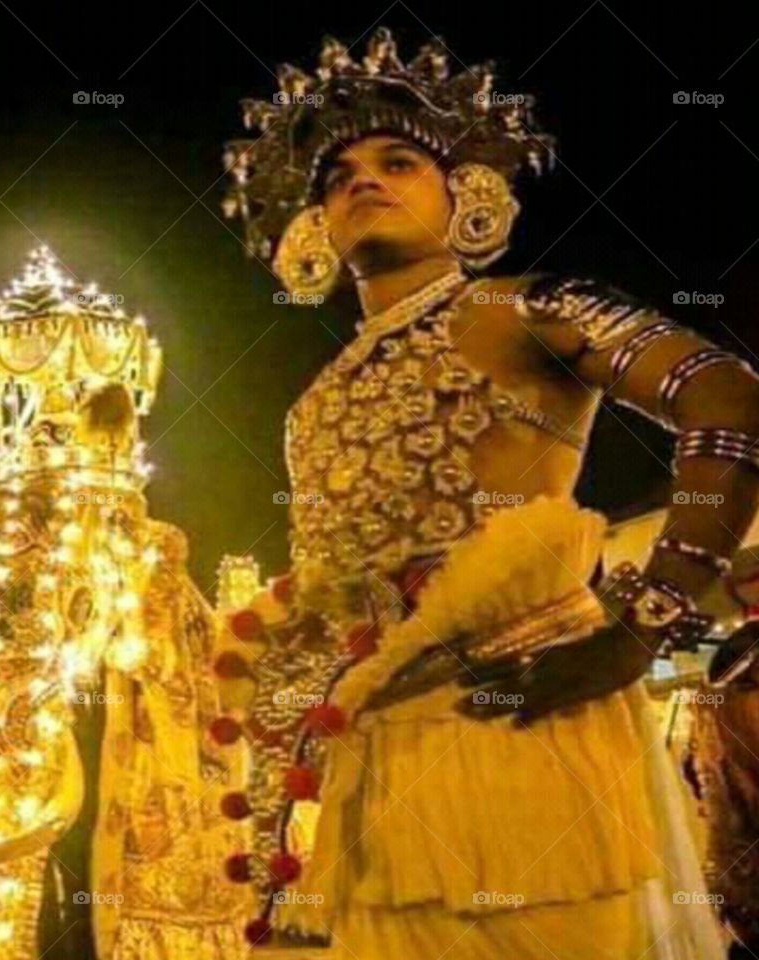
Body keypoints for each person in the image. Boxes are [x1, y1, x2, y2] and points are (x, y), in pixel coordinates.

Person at [220, 26, 759, 959]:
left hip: (524, 726)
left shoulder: (524, 309)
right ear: (315, 228)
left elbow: (729, 400)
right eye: (337, 175)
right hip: (371, 763)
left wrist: (645, 624)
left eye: (399, 160)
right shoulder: (310, 406)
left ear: (465, 194)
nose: (362, 179)